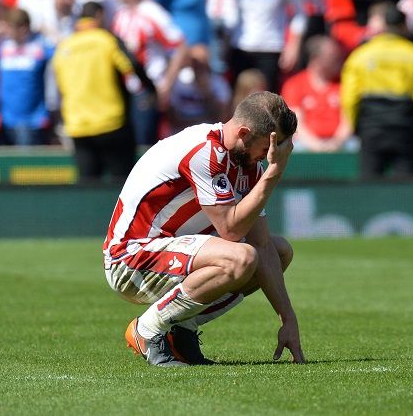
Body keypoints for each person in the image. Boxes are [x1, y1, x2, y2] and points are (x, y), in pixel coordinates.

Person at [104, 91, 304, 367]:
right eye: (272, 145)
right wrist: (273, 174)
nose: (274, 155)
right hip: (130, 260)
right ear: (244, 133)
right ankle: (146, 330)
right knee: (239, 258)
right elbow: (231, 230)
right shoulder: (204, 150)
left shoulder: (249, 163)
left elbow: (263, 244)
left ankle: (181, 332)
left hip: (170, 252)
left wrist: (288, 319)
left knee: (280, 252)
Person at [341, 4, 413, 178]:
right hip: (406, 128)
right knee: (406, 192)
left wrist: (357, 127)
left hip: (371, 128)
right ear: (403, 27)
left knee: (370, 188)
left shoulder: (360, 56)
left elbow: (350, 98)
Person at [53, 2, 139, 180]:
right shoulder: (106, 40)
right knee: (123, 184)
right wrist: (151, 92)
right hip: (111, 122)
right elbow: (132, 66)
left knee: (88, 186)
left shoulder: (64, 47)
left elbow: (58, 88)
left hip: (78, 126)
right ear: (99, 16)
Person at [113, 0, 189, 144]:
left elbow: (180, 46)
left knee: (144, 143)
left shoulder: (151, 12)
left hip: (147, 88)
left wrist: (166, 85)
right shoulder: (121, 13)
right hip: (125, 89)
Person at [0, 8, 55, 146]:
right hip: (6, 121)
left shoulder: (39, 47)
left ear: (23, 28)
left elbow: (64, 53)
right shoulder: (4, 47)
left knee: (27, 167)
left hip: (32, 122)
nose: (6, 31)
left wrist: (48, 31)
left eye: (10, 27)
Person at [281, 35, 351, 152]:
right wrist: (317, 146)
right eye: (333, 56)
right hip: (305, 143)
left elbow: (348, 120)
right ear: (316, 59)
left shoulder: (344, 84)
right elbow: (296, 124)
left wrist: (337, 143)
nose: (339, 60)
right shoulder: (294, 84)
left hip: (341, 143)